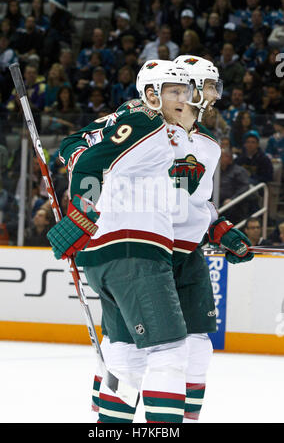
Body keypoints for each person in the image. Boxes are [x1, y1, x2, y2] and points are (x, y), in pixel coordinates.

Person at [86, 56, 255, 423]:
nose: (214, 95)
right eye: (209, 86)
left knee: (195, 349)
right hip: (143, 252)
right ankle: (110, 416)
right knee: (128, 347)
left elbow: (190, 201)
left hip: (185, 254)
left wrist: (218, 226)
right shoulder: (148, 125)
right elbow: (101, 160)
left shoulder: (208, 145)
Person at [47, 59, 194, 424]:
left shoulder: (121, 121)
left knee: (125, 353)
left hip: (107, 256)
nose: (185, 99)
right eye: (175, 92)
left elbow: (71, 147)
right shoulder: (147, 120)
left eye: (186, 92)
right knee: (168, 351)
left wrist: (86, 204)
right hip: (136, 253)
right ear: (150, 95)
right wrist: (81, 213)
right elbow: (91, 164)